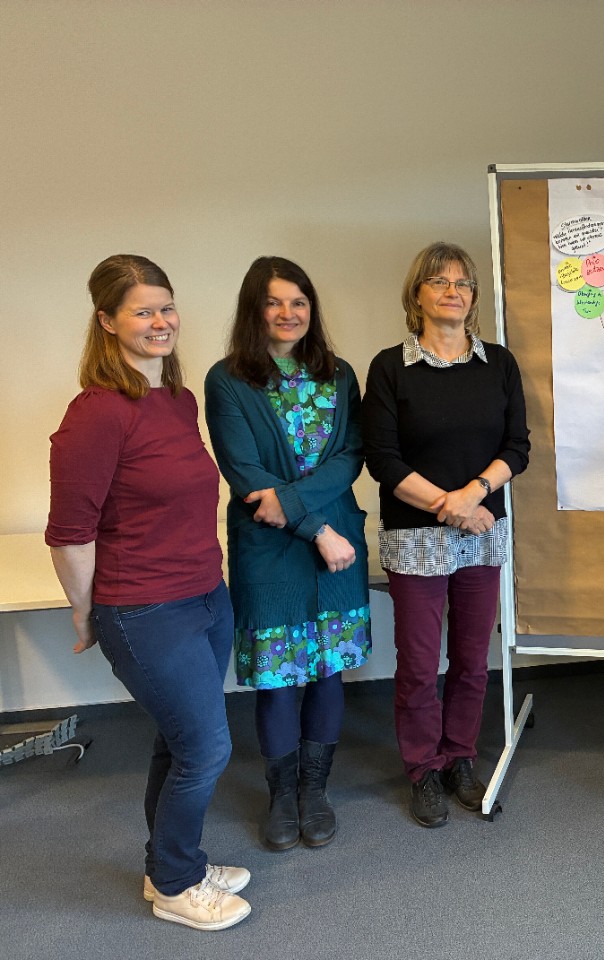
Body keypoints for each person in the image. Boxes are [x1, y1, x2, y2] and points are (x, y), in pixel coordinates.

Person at [46, 255, 251, 931]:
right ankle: (173, 884)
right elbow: (71, 533)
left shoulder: (176, 398)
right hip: (143, 608)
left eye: (166, 307)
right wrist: (85, 612)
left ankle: (175, 860)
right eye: (141, 310)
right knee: (206, 748)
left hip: (203, 596)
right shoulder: (96, 414)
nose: (160, 322)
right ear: (106, 321)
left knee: (180, 738)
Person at [205, 256, 370, 852]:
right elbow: (244, 471)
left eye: (298, 302)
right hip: (269, 547)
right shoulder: (228, 380)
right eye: (275, 302)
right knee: (277, 679)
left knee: (328, 671)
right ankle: (280, 796)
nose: (288, 313)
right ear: (255, 309)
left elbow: (351, 456)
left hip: (336, 542)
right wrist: (314, 529)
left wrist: (300, 509)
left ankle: (314, 792)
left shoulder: (340, 374)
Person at [364, 241, 530, 827]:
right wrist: (449, 506)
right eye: (439, 281)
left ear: (474, 296)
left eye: (462, 282)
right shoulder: (390, 367)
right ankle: (422, 768)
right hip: (416, 536)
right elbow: (381, 458)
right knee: (416, 663)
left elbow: (517, 448)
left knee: (469, 659)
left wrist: (473, 496)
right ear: (417, 295)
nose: (452, 291)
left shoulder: (499, 364)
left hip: (482, 531)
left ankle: (460, 756)